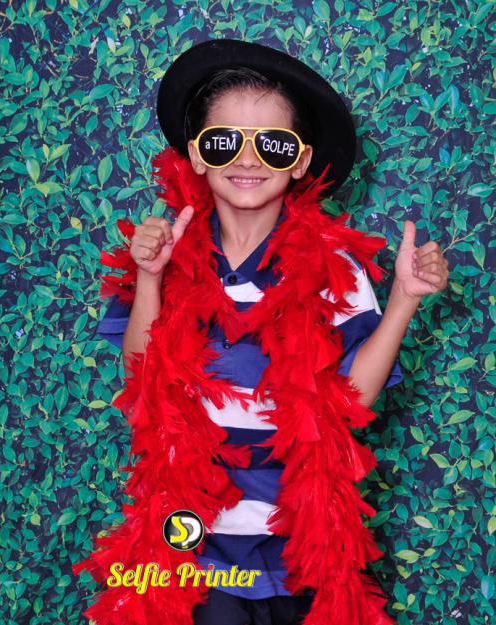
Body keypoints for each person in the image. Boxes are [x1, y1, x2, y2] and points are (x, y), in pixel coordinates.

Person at [77, 39, 449, 625]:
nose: (247, 159)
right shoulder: (168, 254)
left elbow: (354, 399)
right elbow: (141, 383)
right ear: (197, 156)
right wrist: (149, 278)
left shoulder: (335, 269)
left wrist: (402, 301)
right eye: (224, 141)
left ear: (299, 161)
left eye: (272, 144)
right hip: (191, 548)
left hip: (299, 546)